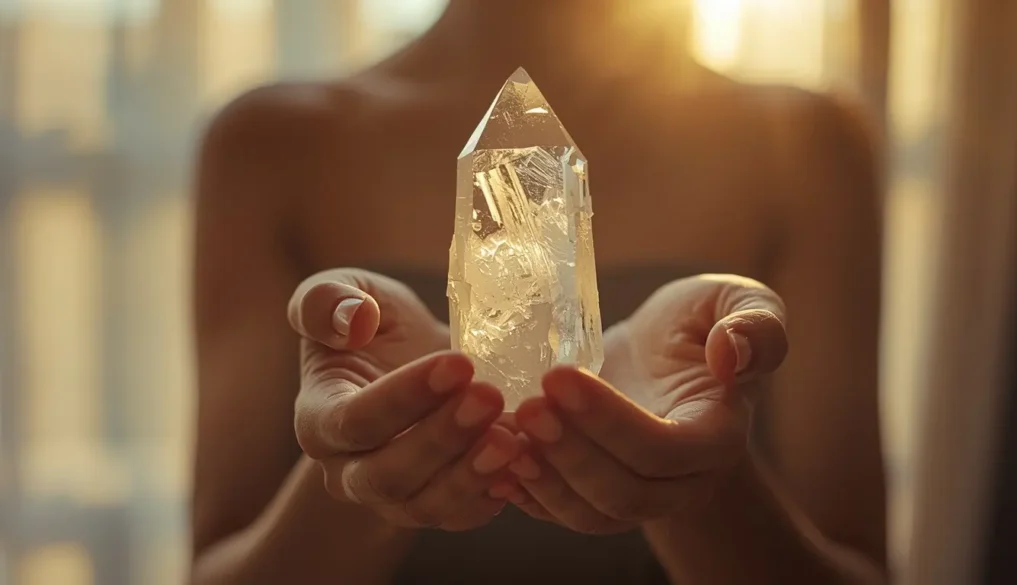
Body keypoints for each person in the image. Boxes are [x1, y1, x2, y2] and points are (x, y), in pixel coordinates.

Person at [188, 1, 887, 583]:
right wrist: (367, 470)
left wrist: (699, 483)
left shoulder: (803, 143)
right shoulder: (273, 143)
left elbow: (859, 565)